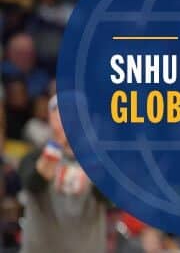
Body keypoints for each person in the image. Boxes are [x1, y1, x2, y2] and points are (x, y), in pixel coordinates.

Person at [17, 95, 109, 253]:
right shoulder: (33, 157)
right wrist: (57, 143)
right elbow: (33, 183)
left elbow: (109, 198)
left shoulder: (99, 160)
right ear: (50, 119)